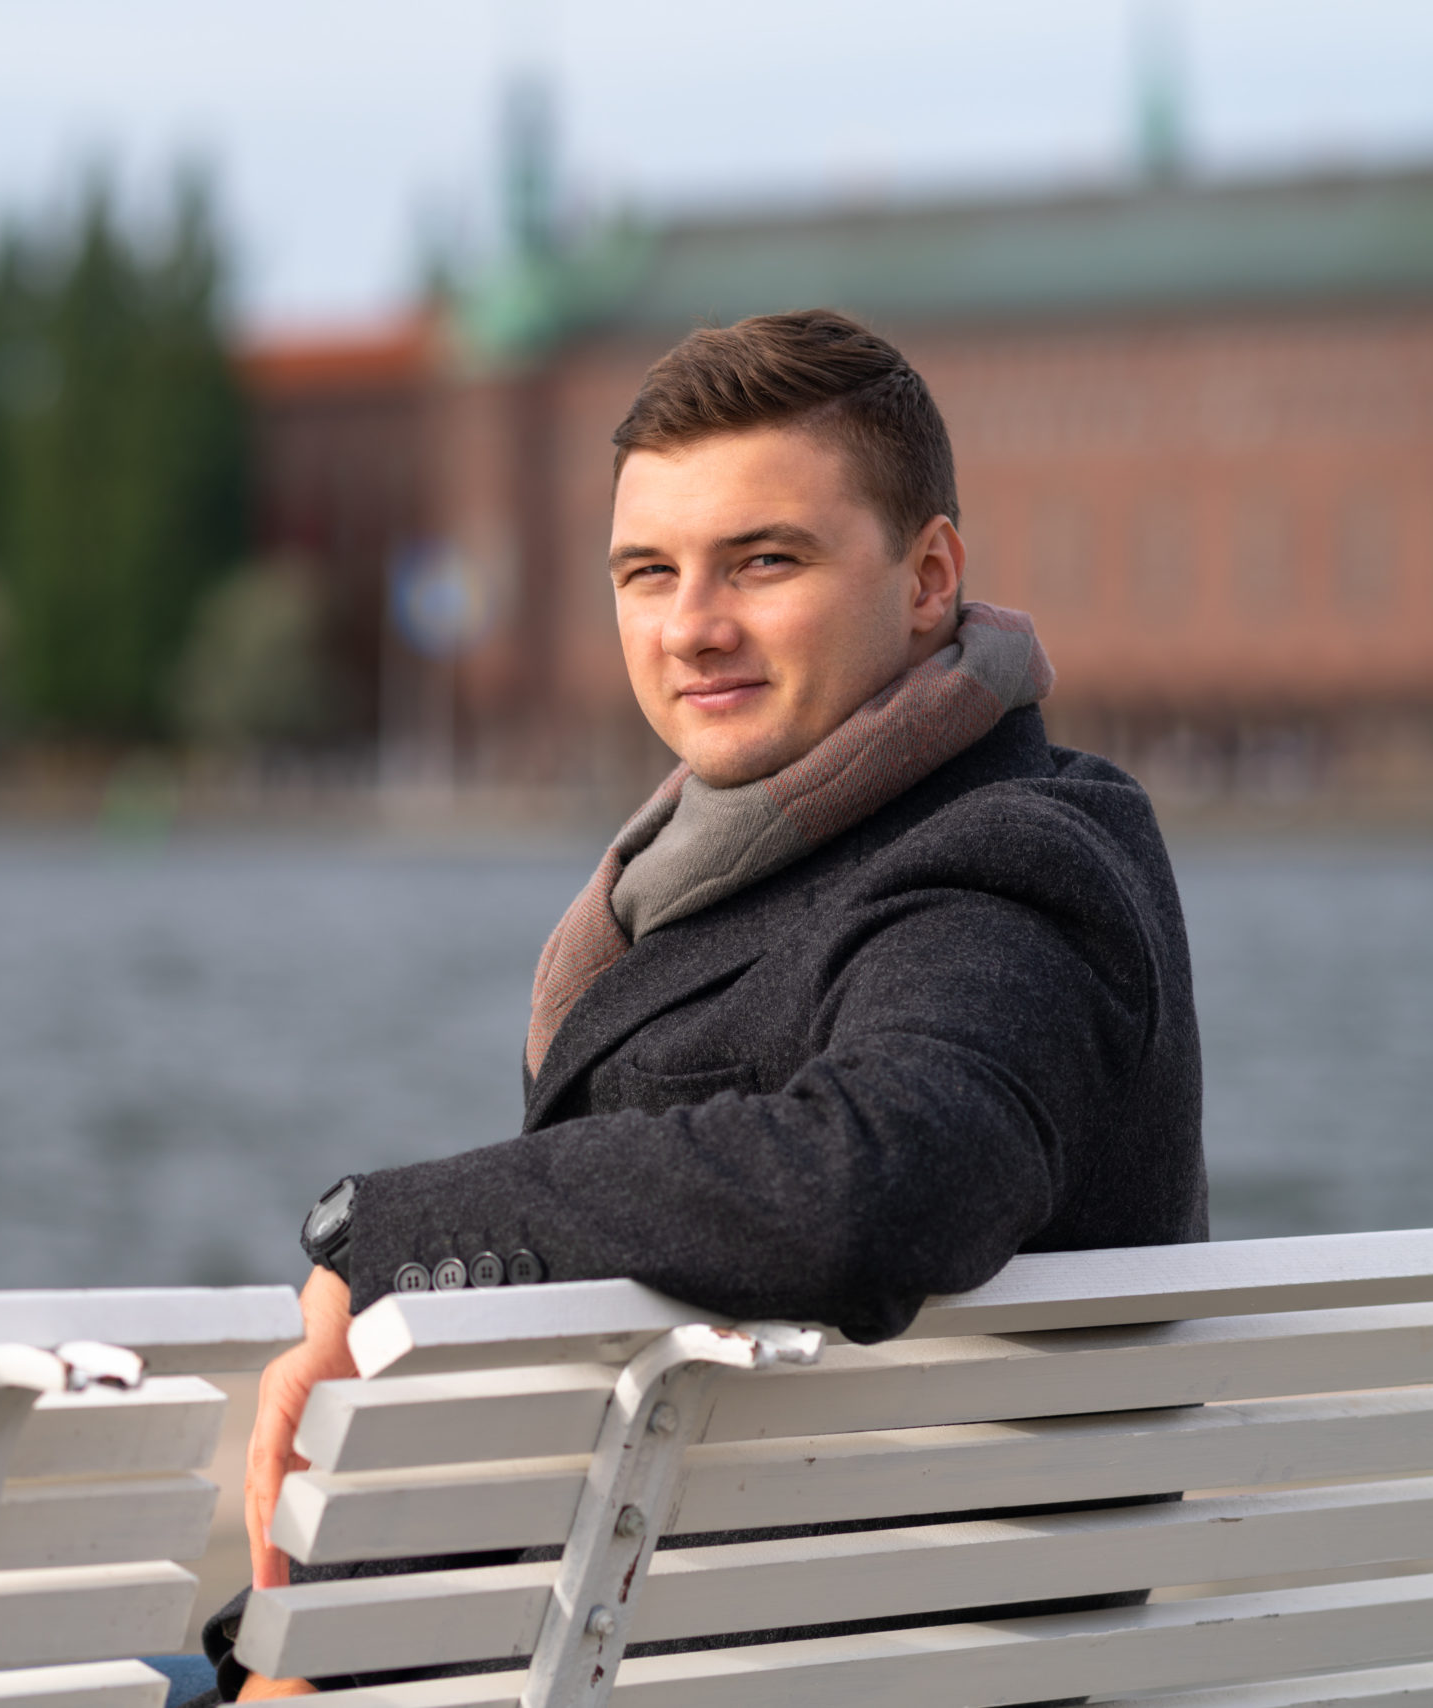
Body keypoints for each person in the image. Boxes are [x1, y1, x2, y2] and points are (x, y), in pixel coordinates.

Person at [201, 308, 1208, 1701]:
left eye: (765, 561)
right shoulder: (770, 859)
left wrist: (384, 1240)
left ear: (930, 581)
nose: (692, 627)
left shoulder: (1003, 866)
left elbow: (875, 1183)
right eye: (647, 572)